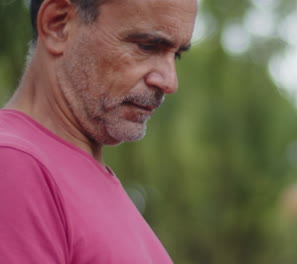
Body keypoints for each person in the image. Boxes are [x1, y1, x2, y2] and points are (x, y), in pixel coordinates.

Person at [0, 0, 197, 262]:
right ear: (58, 24)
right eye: (147, 46)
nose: (170, 82)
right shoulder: (14, 164)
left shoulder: (79, 178)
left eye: (177, 55)